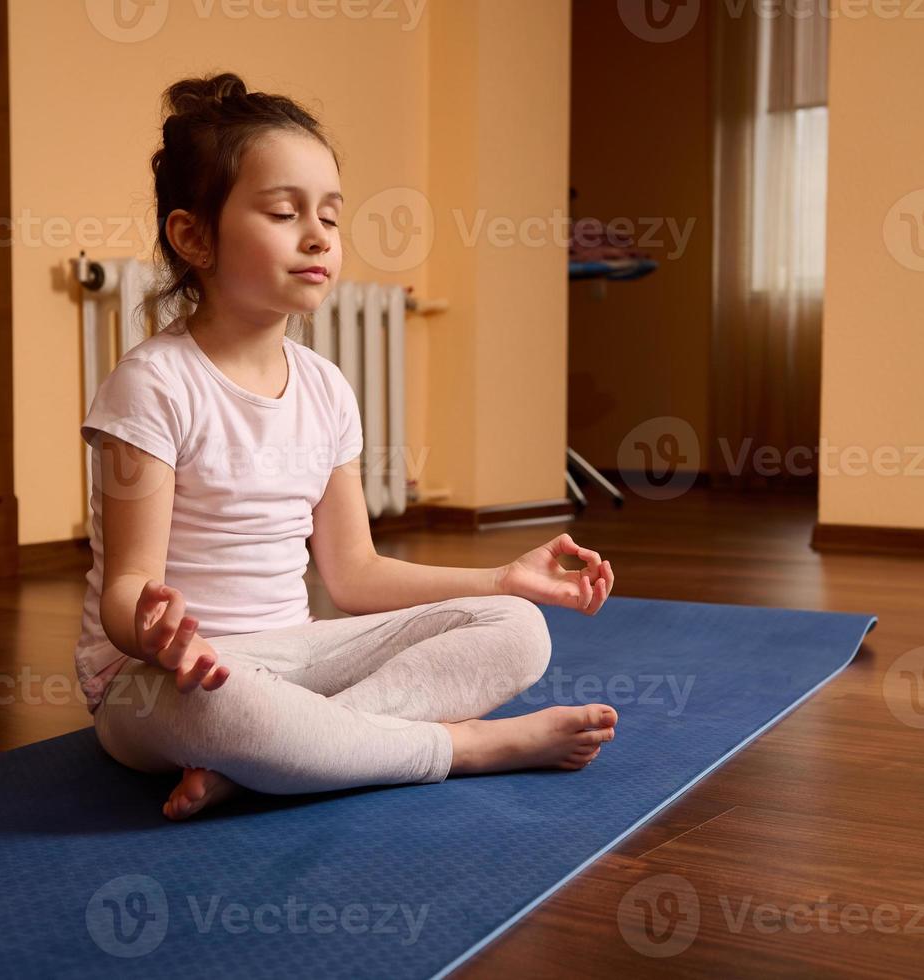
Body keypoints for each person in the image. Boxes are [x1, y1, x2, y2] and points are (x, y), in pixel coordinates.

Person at [76, 72, 617, 822]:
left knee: (518, 631)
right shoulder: (152, 384)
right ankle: (462, 748)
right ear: (192, 236)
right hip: (165, 682)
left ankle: (272, 765)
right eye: (282, 211)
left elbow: (355, 576)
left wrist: (503, 578)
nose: (317, 236)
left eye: (330, 215)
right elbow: (124, 592)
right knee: (227, 712)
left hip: (296, 660)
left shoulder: (326, 387)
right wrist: (156, 632)